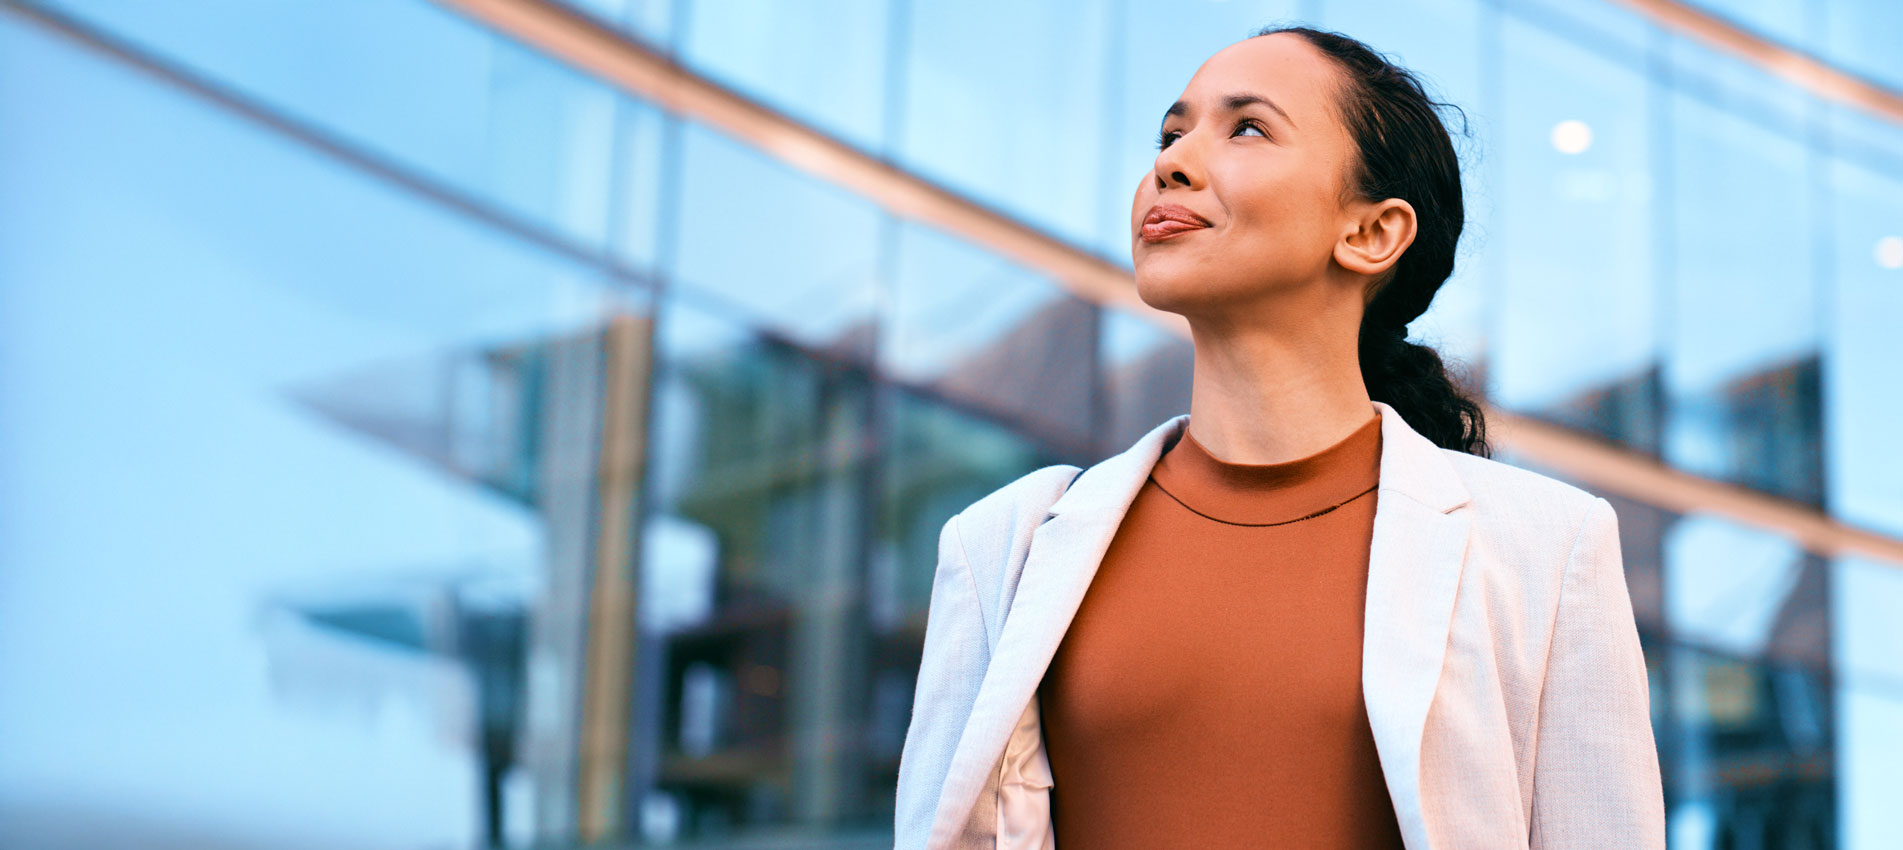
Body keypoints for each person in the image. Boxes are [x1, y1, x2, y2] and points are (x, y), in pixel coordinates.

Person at [894, 25, 1665, 850]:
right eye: (1170, 133)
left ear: (1370, 233)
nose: (1172, 162)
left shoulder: (1547, 550)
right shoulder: (999, 550)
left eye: (1247, 128)